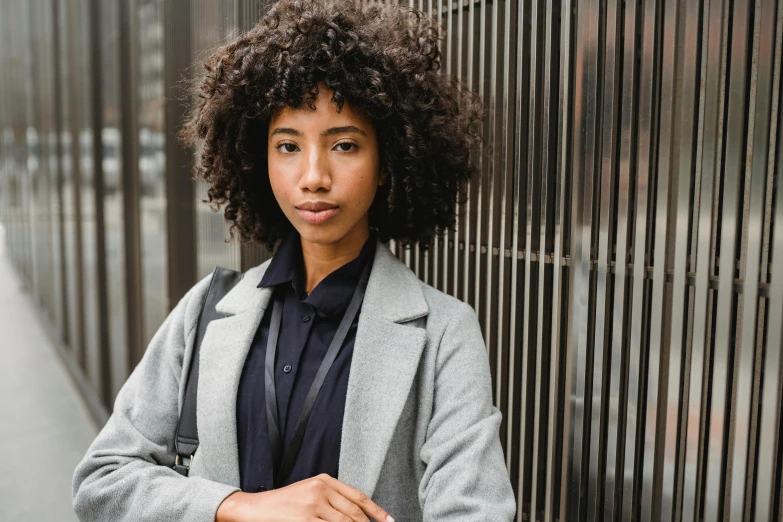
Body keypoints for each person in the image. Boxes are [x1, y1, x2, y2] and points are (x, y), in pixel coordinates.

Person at [72, 1, 516, 520]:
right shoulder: (208, 311)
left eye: (344, 145)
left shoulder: (444, 333)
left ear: (388, 163)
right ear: (258, 159)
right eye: (287, 146)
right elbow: (102, 481)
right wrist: (237, 506)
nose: (313, 176)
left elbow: (476, 512)